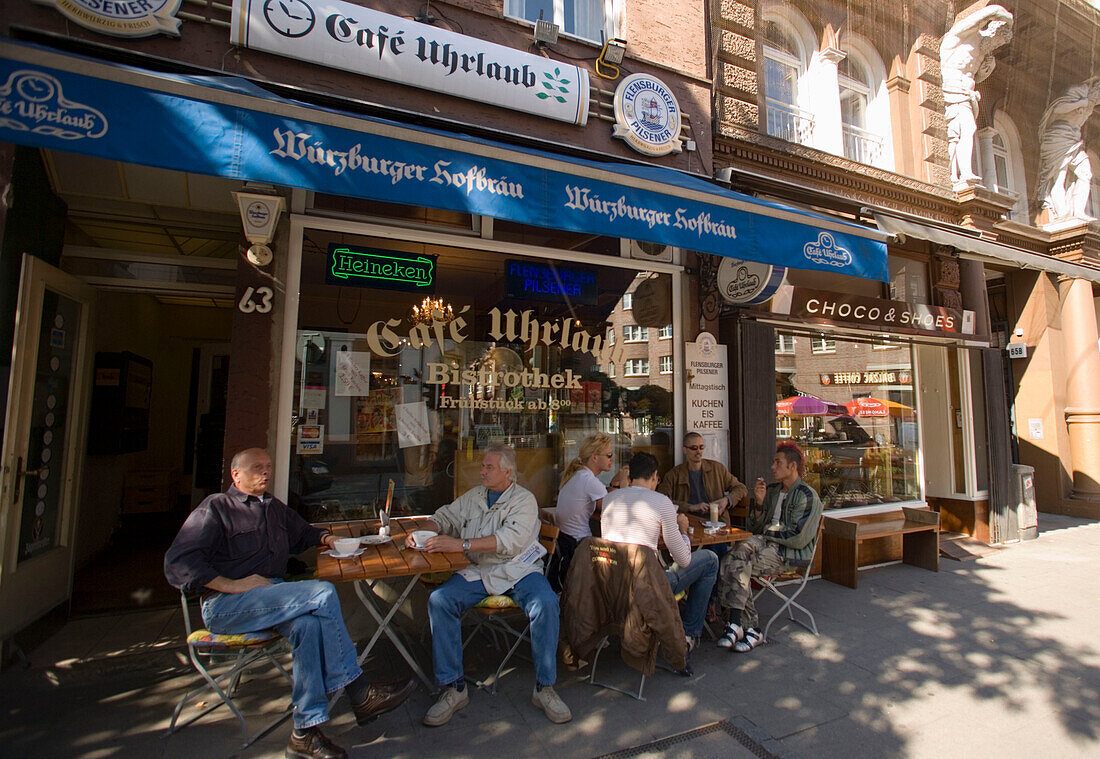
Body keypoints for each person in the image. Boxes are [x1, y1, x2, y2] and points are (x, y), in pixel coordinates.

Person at [164, 448, 415, 759]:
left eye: (268, 467)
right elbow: (178, 564)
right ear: (236, 475)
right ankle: (359, 690)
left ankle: (304, 734)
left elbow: (305, 532)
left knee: (309, 626)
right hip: (227, 606)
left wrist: (329, 540)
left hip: (273, 598)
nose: (266, 473)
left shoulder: (272, 507)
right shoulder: (216, 508)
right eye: (257, 468)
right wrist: (234, 585)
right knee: (322, 593)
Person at [409, 443, 571, 726]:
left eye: (489, 467)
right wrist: (424, 531)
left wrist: (462, 544)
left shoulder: (524, 500)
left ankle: (545, 688)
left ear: (508, 473)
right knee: (440, 600)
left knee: (546, 603)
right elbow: (446, 516)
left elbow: (510, 542)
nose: (481, 471)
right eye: (482, 466)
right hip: (479, 571)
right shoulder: (474, 496)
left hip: (519, 570)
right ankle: (454, 688)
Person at [601, 452, 719, 667]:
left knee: (666, 563)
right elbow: (683, 559)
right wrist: (682, 530)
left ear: (630, 476)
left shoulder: (609, 498)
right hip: (648, 589)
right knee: (710, 559)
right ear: (655, 476)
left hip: (612, 588)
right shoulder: (661, 502)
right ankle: (688, 634)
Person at [715, 442, 823, 654]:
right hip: (762, 545)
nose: (772, 467)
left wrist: (766, 532)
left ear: (792, 466)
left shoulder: (807, 496)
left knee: (734, 562)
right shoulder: (772, 491)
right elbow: (753, 527)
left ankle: (741, 624)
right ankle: (746, 628)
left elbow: (797, 538)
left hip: (788, 555)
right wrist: (760, 503)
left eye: (777, 462)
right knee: (732, 558)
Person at [939, 5, 1014, 183]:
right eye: (996, 40)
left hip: (968, 95)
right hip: (954, 90)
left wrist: (986, 70)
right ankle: (960, 174)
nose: (995, 46)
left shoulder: (983, 53)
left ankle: (959, 174)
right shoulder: (962, 36)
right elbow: (979, 17)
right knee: (962, 131)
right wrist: (1004, 15)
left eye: (999, 45)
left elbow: (977, 76)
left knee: (962, 132)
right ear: (992, 30)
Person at [550, 433, 630, 591]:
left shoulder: (578, 475)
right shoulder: (589, 481)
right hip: (581, 548)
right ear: (594, 457)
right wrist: (624, 484)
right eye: (608, 455)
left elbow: (604, 496)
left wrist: (614, 482)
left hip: (567, 542)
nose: (612, 459)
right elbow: (619, 507)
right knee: (624, 557)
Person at [658, 432, 748, 557]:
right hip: (689, 528)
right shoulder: (674, 475)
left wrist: (727, 500)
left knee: (716, 546)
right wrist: (689, 507)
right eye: (694, 448)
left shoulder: (717, 469)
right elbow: (662, 500)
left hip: (716, 526)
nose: (698, 452)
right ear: (685, 450)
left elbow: (741, 488)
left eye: (701, 447)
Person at [1037, 77, 1100, 220]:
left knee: (1085, 173)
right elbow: (1058, 109)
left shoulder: (1092, 103)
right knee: (1059, 178)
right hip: (1058, 136)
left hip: (1074, 139)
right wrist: (1081, 102)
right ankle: (1063, 214)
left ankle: (1078, 212)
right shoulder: (1078, 91)